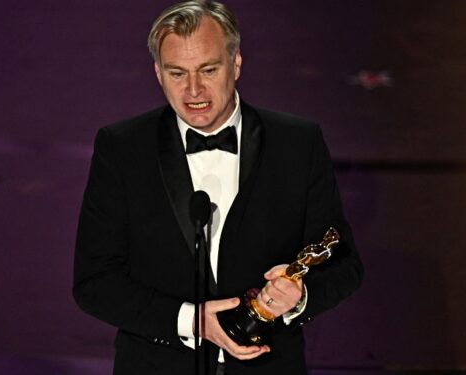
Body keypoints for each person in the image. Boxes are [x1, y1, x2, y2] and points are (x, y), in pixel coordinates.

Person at [72, 1, 363, 374]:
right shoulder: (123, 148)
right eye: (177, 73)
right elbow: (95, 282)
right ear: (158, 73)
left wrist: (300, 297)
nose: (194, 90)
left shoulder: (296, 143)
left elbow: (344, 264)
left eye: (208, 70)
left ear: (236, 63)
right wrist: (192, 321)